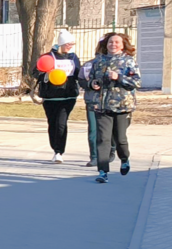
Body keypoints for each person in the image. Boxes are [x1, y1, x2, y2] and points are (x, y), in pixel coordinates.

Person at [87, 32, 141, 184]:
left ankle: (124, 159)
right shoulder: (98, 61)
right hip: (102, 105)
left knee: (120, 138)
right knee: (103, 138)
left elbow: (136, 82)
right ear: (106, 44)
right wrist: (92, 84)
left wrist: (119, 78)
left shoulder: (128, 61)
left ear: (123, 45)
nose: (113, 45)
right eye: (111, 42)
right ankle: (103, 171)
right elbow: (90, 79)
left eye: (117, 42)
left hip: (122, 105)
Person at [37, 30, 81, 164]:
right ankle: (55, 148)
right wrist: (46, 74)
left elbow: (79, 74)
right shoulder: (48, 57)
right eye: (68, 43)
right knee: (52, 123)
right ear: (61, 43)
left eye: (72, 43)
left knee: (61, 123)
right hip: (50, 97)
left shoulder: (73, 58)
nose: (71, 46)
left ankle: (59, 152)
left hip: (68, 97)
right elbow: (36, 72)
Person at [79, 48, 116, 168]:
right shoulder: (89, 64)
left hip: (110, 101)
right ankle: (94, 157)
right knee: (93, 130)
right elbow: (81, 80)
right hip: (93, 101)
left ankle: (111, 149)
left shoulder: (116, 63)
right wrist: (90, 84)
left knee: (110, 130)